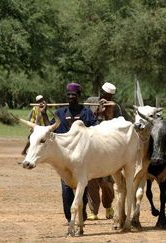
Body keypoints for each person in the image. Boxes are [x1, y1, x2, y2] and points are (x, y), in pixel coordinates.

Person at [51, 83, 96, 223]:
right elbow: (49, 129)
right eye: (69, 95)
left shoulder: (86, 112)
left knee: (82, 187)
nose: (71, 97)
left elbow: (94, 129)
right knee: (66, 189)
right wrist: (42, 112)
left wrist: (99, 113)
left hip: (82, 157)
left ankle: (81, 213)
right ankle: (70, 217)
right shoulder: (60, 113)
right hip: (64, 158)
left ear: (78, 96)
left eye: (74, 95)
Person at [84, 82, 122, 220]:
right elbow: (86, 119)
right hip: (92, 145)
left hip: (107, 146)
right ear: (101, 92)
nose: (107, 97)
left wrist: (108, 112)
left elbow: (118, 124)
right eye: (105, 95)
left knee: (107, 181)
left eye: (110, 96)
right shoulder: (90, 102)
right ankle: (93, 211)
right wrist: (97, 111)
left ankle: (108, 207)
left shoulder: (115, 107)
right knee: (92, 180)